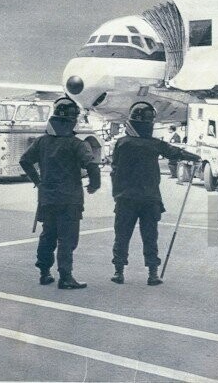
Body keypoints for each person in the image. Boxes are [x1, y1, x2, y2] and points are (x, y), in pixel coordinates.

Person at [110, 103, 200, 285]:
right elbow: (175, 152)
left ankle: (119, 272)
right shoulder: (154, 144)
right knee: (150, 236)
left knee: (122, 235)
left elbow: (114, 169)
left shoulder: (121, 143)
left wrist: (116, 192)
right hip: (149, 198)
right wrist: (195, 157)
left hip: (125, 198)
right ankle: (152, 273)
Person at [20, 97, 100, 289]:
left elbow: (25, 161)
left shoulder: (41, 142)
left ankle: (44, 272)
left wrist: (38, 181)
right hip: (70, 199)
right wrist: (94, 185)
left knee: (48, 235)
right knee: (67, 238)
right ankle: (65, 277)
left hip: (47, 197)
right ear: (72, 120)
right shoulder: (76, 144)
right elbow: (92, 165)